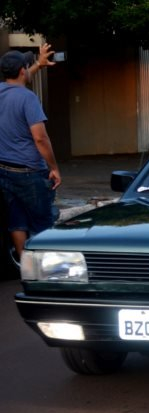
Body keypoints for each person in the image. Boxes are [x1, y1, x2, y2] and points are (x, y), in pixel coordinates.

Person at [0, 44, 61, 266]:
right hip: (29, 172)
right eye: (27, 66)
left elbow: (16, 82)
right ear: (22, 71)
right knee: (42, 223)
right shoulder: (28, 98)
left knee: (17, 222)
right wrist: (54, 167)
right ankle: (47, 270)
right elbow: (40, 138)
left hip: (4, 171)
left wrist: (38, 65)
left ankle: (26, 267)